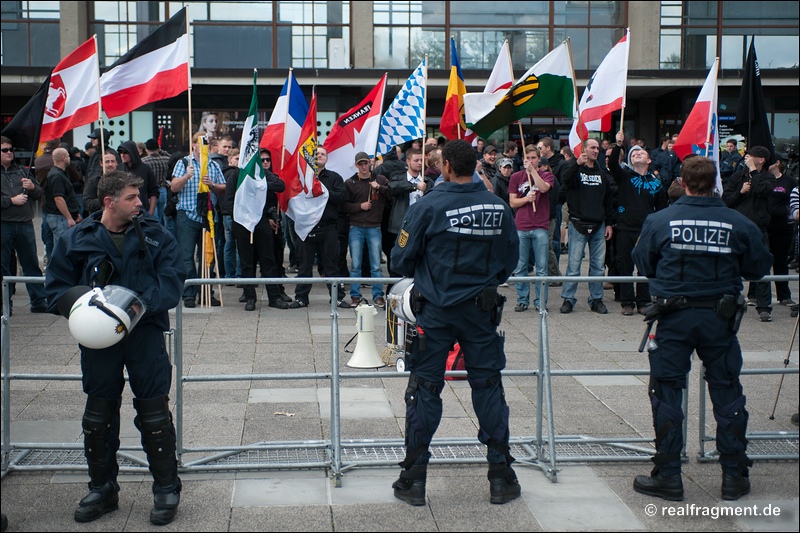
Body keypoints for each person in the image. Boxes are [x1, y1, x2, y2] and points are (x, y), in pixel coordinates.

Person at [45, 170, 186, 525]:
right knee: (98, 417)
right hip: (98, 342)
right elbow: (57, 288)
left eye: (139, 196)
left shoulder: (157, 235)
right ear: (109, 202)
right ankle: (102, 488)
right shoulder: (76, 238)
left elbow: (172, 282)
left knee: (154, 415)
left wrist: (131, 309)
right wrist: (86, 312)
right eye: (131, 198)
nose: (140, 202)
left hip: (145, 335)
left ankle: (166, 487)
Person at [631, 156, 771, 502]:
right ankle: (734, 476)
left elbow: (644, 261)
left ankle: (668, 475)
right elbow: (757, 267)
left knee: (666, 392)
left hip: (674, 319)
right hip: (719, 320)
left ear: (683, 181)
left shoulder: (661, 219)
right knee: (727, 391)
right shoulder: (737, 222)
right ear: (716, 183)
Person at [390, 139, 520, 506]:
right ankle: (501, 476)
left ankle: (414, 479)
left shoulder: (429, 205)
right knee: (489, 387)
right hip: (480, 313)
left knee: (425, 389)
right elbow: (510, 261)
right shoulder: (497, 206)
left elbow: (399, 260)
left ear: (445, 165)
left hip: (437, 311)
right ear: (475, 165)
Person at [608, 132, 668, 316]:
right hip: (626, 228)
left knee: (645, 267)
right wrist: (619, 145)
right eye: (633, 154)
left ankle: (643, 301)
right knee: (625, 265)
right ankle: (627, 302)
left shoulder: (657, 183)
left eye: (640, 153)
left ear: (649, 160)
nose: (636, 154)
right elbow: (611, 164)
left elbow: (661, 208)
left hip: (647, 231)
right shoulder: (624, 176)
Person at [169, 132, 226, 308]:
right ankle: (189, 293)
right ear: (193, 144)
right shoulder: (183, 163)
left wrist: (213, 185)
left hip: (207, 216)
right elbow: (173, 187)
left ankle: (206, 293)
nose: (203, 146)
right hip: (187, 215)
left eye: (207, 143)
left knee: (207, 255)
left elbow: (223, 188)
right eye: (201, 142)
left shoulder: (213, 165)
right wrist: (186, 176)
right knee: (187, 256)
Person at [558, 138, 614, 314]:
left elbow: (608, 200)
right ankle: (568, 299)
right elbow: (565, 182)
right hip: (578, 223)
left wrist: (609, 224)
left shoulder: (602, 173)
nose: (596, 151)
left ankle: (596, 299)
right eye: (592, 147)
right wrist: (576, 163)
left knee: (598, 266)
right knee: (573, 266)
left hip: (599, 225)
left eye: (598, 148)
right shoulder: (574, 168)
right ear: (584, 150)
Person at [230, 148, 290, 311]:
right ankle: (250, 297)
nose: (263, 163)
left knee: (268, 260)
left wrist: (260, 185)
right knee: (246, 262)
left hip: (261, 220)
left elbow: (280, 185)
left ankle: (274, 296)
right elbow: (228, 201)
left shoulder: (262, 174)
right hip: (242, 222)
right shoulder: (237, 175)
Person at [722, 145, 776, 321]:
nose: (747, 158)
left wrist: (754, 171)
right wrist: (740, 192)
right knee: (731, 265)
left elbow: (763, 190)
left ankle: (764, 306)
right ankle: (730, 301)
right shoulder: (738, 177)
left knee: (762, 265)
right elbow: (727, 201)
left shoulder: (768, 177)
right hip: (737, 228)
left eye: (751, 156)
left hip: (758, 228)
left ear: (761, 160)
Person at [290, 146, 348, 308]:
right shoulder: (301, 177)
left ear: (327, 158)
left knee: (331, 265)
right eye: (317, 154)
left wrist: (322, 190)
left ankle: (337, 297)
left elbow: (341, 197)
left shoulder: (334, 178)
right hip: (306, 227)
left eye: (323, 154)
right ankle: (301, 297)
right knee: (305, 265)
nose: (320, 156)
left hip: (328, 227)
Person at [1, 135, 47, 314]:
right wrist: (11, 200)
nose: (9, 153)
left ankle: (38, 300)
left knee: (30, 263)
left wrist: (32, 187)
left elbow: (39, 193)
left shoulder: (22, 170)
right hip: (4, 224)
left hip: (25, 224)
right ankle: (6, 304)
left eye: (11, 149)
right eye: (4, 150)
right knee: (3, 266)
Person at [509, 145, 553, 312]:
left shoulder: (546, 175)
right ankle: (522, 299)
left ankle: (540, 301)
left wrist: (533, 172)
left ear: (539, 159)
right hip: (521, 225)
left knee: (542, 267)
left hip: (540, 226)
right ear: (522, 158)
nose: (530, 161)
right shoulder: (516, 177)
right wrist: (527, 199)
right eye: (527, 157)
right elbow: (513, 202)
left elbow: (543, 188)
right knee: (520, 267)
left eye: (534, 158)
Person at [342, 151, 390, 308]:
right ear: (356, 165)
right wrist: (359, 207)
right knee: (355, 264)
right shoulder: (350, 183)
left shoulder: (379, 179)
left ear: (370, 163)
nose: (364, 166)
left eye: (366, 163)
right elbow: (343, 205)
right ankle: (355, 295)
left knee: (376, 265)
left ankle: (378, 295)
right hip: (356, 226)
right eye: (360, 164)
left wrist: (380, 187)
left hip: (374, 226)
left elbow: (392, 194)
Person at [43, 147, 82, 246]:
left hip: (62, 217)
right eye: (68, 156)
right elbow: (58, 198)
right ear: (63, 158)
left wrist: (74, 213)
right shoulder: (56, 176)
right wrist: (69, 217)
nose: (70, 158)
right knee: (63, 248)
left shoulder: (60, 173)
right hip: (60, 218)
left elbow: (68, 196)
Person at [118, 141, 159, 217]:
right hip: (123, 212)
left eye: (125, 152)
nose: (122, 155)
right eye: (120, 152)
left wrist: (151, 211)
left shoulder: (145, 169)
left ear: (132, 153)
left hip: (142, 211)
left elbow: (154, 191)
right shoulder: (118, 169)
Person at [141, 138, 172, 224]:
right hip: (163, 189)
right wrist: (160, 150)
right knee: (163, 216)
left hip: (150, 192)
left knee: (153, 217)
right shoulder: (166, 159)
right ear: (158, 148)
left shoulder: (144, 161)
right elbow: (172, 157)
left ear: (146, 149)